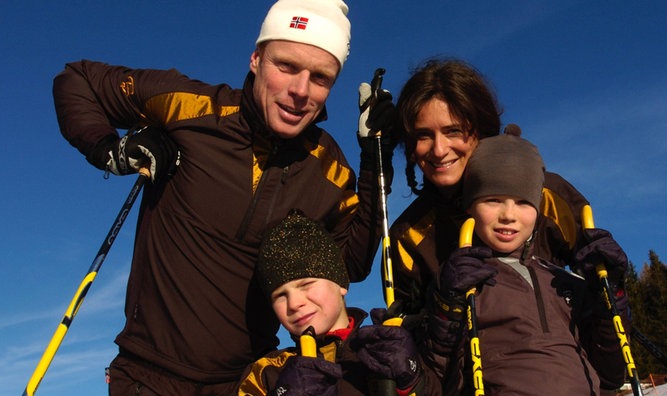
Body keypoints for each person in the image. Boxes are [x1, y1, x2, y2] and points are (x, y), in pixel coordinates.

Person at [51, 0, 396, 393]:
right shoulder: (191, 108)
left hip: (246, 384)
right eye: (286, 65)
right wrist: (110, 150)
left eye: (320, 77)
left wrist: (375, 165)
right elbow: (78, 79)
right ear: (256, 58)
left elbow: (348, 264)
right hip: (147, 377)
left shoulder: (329, 168)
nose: (300, 90)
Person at [387, 58, 628, 392]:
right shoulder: (410, 233)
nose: (439, 150)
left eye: (454, 130)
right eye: (423, 136)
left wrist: (611, 286)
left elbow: (595, 315)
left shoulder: (549, 196)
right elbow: (419, 347)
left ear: (481, 129)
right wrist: (441, 305)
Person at [423, 134, 628, 395]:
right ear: (470, 207)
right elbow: (440, 374)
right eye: (493, 200)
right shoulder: (462, 283)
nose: (509, 215)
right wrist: (447, 306)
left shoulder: (567, 283)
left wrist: (612, 294)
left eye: (523, 202)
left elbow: (612, 373)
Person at [238, 211, 440, 395]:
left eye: (306, 284)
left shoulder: (387, 352)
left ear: (341, 284)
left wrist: (412, 385)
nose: (294, 303)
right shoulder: (267, 374)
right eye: (280, 295)